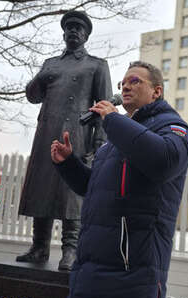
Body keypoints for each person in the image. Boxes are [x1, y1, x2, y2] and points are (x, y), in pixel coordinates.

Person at [51, 61, 188, 298]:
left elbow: (163, 160)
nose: (126, 86)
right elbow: (96, 189)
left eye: (135, 81)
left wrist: (113, 120)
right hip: (95, 269)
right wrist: (69, 163)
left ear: (157, 91)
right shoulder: (117, 138)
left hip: (132, 270)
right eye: (123, 82)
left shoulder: (174, 128)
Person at [16, 10, 112, 271]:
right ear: (64, 32)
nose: (73, 31)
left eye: (79, 28)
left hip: (77, 135)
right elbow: (33, 96)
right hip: (47, 132)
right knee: (42, 189)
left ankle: (70, 250)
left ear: (86, 35)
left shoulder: (96, 65)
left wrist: (99, 143)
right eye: (69, 27)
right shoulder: (51, 64)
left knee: (72, 194)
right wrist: (39, 77)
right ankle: (39, 247)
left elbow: (103, 106)